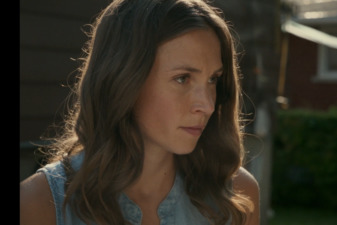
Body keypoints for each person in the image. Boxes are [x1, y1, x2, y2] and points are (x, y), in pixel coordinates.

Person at [20, 0, 260, 224]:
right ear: (124, 80)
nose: (207, 105)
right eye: (182, 78)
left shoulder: (236, 197)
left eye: (213, 79)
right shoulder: (40, 203)